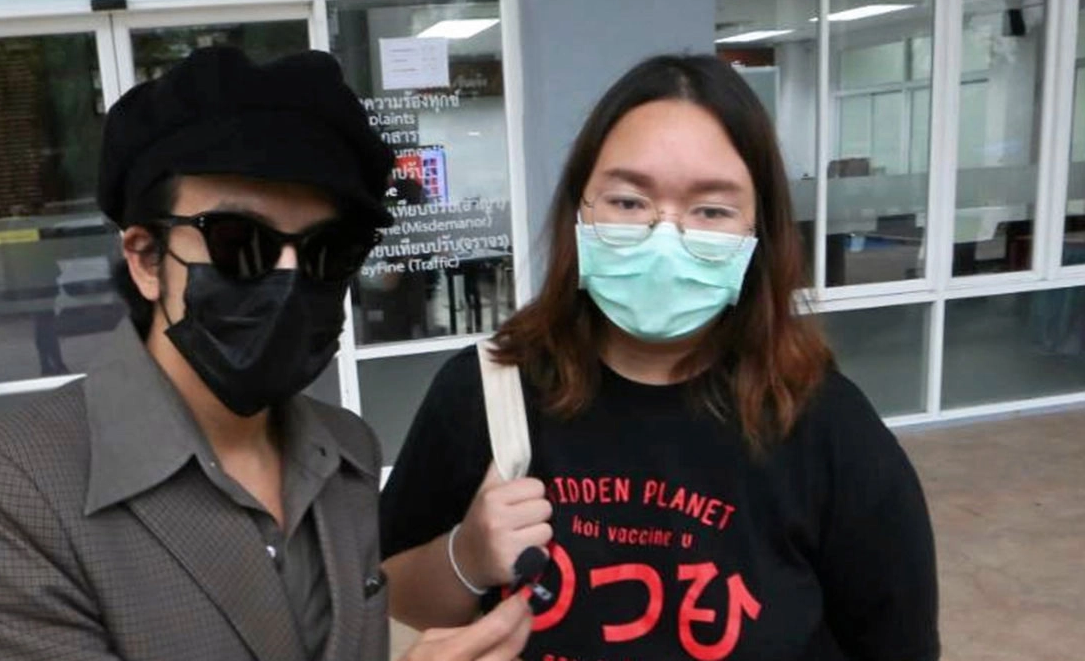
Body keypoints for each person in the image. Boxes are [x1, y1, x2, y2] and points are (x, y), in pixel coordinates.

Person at [0, 46, 531, 661]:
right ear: (146, 259)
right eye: (240, 242)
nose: (288, 277)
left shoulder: (348, 454)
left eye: (328, 251)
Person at [379, 55, 940, 661]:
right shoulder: (485, 392)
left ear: (759, 233)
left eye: (712, 210)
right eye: (628, 201)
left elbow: (898, 645)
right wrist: (465, 557)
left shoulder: (825, 424)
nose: (664, 237)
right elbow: (391, 593)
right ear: (578, 211)